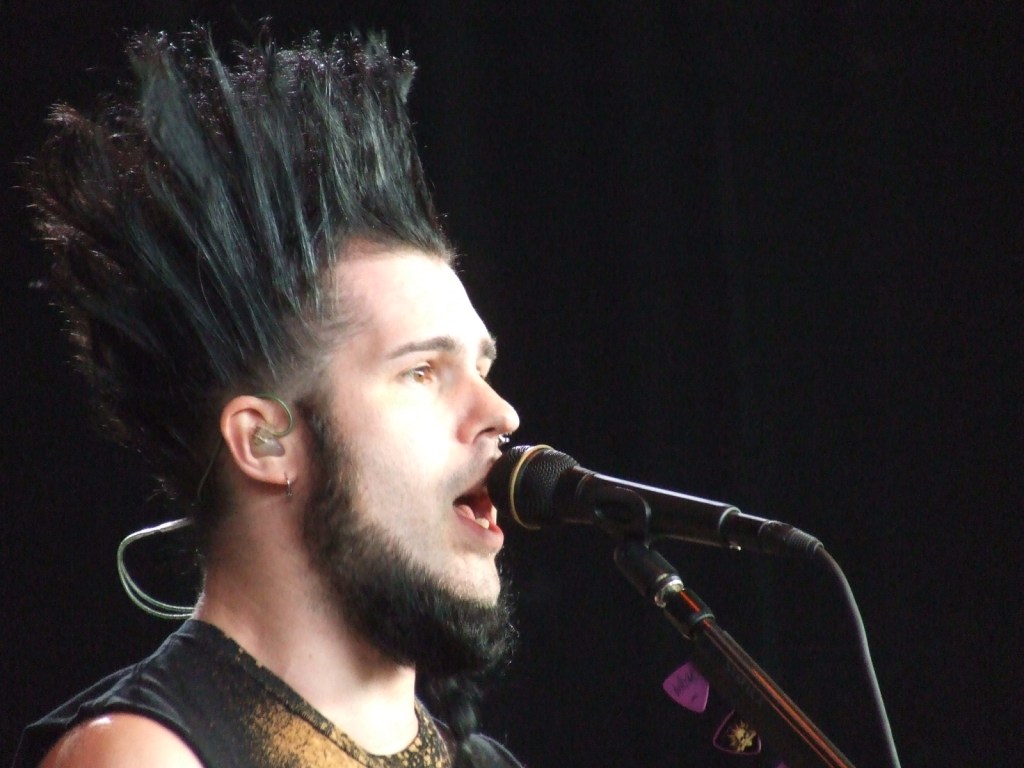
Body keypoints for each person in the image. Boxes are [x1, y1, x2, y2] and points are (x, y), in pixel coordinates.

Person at [13, 25, 524, 768]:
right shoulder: (143, 757)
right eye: (422, 372)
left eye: (483, 367)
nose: (500, 414)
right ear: (264, 441)